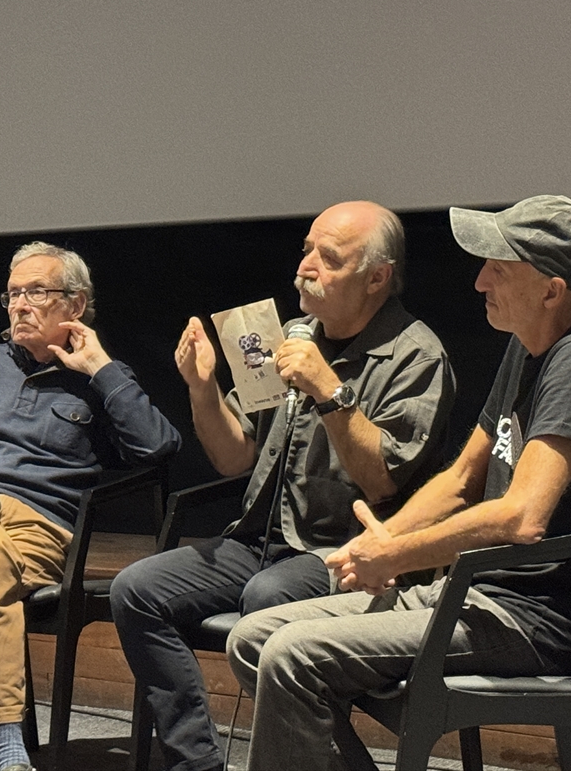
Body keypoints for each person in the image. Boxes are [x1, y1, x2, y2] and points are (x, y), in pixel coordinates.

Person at [226, 195, 571, 771]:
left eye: (498, 270)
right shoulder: (526, 350)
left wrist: (399, 553)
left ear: (551, 289)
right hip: (474, 596)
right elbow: (461, 479)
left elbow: (522, 515)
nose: (480, 281)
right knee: (252, 638)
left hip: (534, 621)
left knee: (291, 654)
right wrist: (375, 544)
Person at [110, 201, 456, 771]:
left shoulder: (416, 354)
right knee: (136, 590)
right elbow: (233, 457)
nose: (306, 267)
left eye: (329, 257)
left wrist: (328, 389)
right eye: (306, 250)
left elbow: (385, 477)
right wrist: (203, 390)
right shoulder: (288, 337)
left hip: (349, 551)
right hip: (258, 542)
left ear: (377, 277)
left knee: (265, 598)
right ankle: (196, 762)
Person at [0, 242, 181, 771]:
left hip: (40, 532)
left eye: (36, 292)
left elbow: (158, 447)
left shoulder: (100, 381)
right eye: (13, 293)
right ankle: (9, 741)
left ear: (75, 305)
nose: (19, 304)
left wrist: (102, 369)